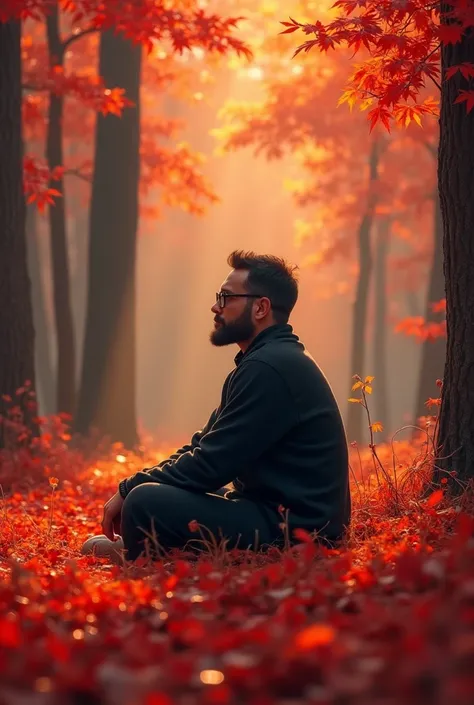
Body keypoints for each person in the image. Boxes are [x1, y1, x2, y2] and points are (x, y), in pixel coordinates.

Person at [81, 250, 350, 563]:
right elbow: (203, 445)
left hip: (300, 532)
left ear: (261, 307)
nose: (215, 306)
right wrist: (136, 482)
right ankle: (158, 546)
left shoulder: (270, 368)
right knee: (152, 493)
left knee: (145, 501)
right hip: (273, 511)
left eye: (226, 297)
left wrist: (131, 491)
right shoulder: (265, 362)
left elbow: (211, 466)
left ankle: (150, 556)